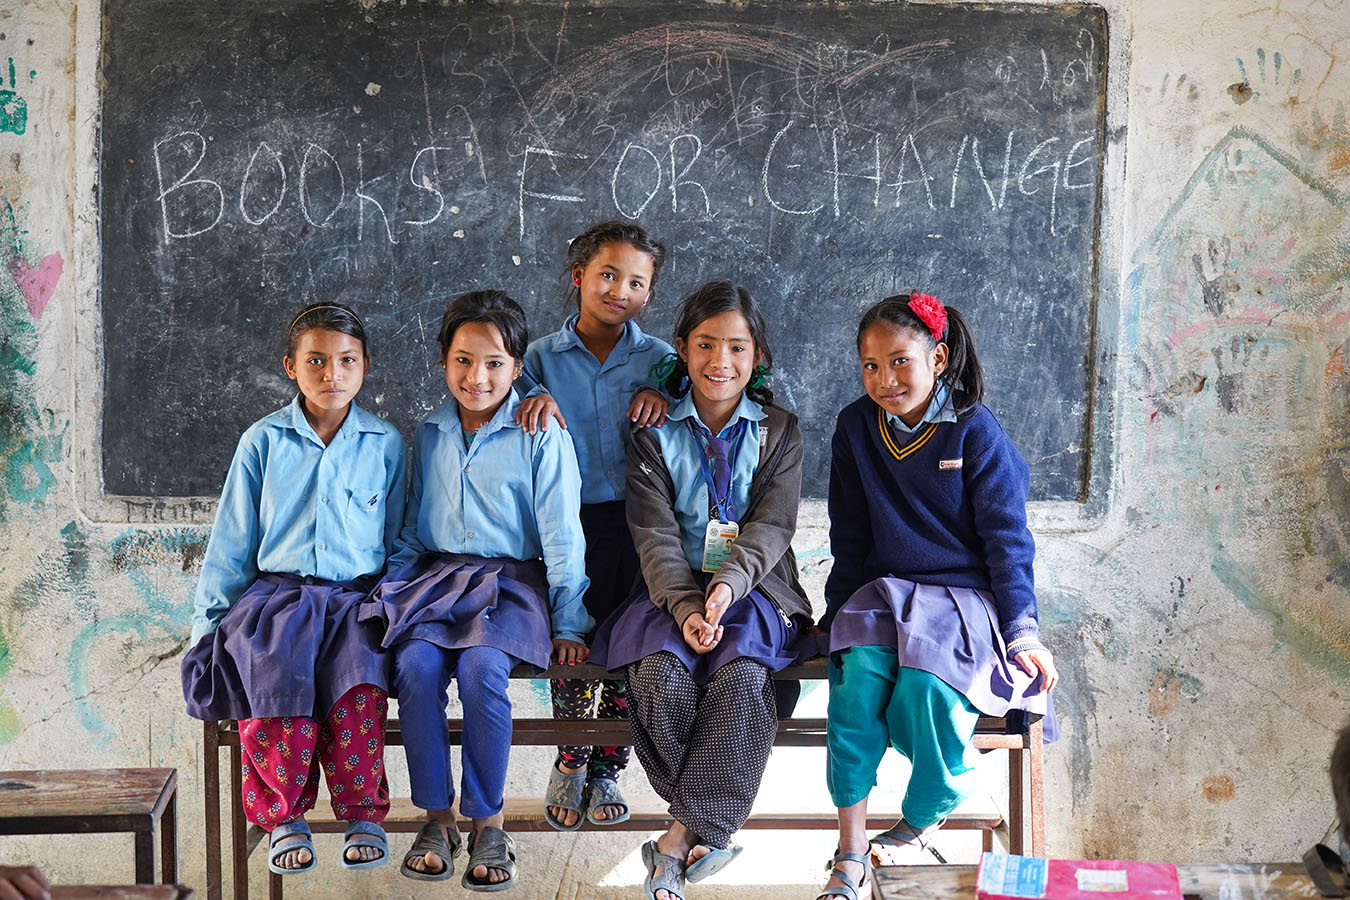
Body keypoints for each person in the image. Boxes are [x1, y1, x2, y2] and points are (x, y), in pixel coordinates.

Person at [815, 292, 1058, 900]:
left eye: (900, 361)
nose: (885, 379)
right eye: (870, 366)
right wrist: (833, 618)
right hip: (882, 593)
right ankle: (848, 851)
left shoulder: (975, 430)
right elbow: (849, 533)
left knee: (927, 689)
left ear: (939, 357)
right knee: (855, 682)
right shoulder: (854, 427)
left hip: (961, 597)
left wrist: (1023, 632)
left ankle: (923, 814)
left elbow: (1009, 541)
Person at [591, 280, 812, 900]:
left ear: (757, 356)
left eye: (737, 348)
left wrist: (725, 593)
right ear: (682, 350)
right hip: (666, 589)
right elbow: (654, 533)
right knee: (658, 674)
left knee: (742, 677)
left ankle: (674, 840)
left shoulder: (780, 430)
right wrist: (690, 605)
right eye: (706, 345)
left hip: (757, 589)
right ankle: (704, 829)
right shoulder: (652, 430)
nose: (721, 362)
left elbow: (774, 525)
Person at [365, 290, 592, 891]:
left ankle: (488, 821)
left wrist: (569, 622)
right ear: (443, 362)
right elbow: (412, 527)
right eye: (463, 360)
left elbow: (563, 537)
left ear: (518, 368)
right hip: (435, 580)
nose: (477, 376)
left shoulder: (540, 433)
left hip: (509, 583)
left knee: (482, 673)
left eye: (494, 363)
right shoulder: (431, 432)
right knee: (413, 668)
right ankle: (436, 818)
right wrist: (393, 592)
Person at [181, 302, 405, 875]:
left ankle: (362, 812)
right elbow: (232, 542)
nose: (332, 374)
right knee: (274, 681)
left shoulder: (386, 443)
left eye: (346, 361)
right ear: (290, 367)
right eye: (316, 361)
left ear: (366, 366)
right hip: (278, 598)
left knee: (359, 687)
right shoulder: (263, 441)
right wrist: (206, 631)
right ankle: (284, 816)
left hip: (357, 600)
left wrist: (391, 608)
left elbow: (402, 538)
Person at [515, 220, 672, 830]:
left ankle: (610, 764)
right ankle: (572, 755)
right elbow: (510, 408)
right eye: (608, 275)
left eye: (637, 282)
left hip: (642, 523)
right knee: (573, 637)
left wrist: (666, 400)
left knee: (628, 640)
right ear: (579, 277)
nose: (620, 290)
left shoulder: (662, 360)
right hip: (567, 522)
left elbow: (688, 425)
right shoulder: (538, 359)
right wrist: (531, 400)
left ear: (649, 294)